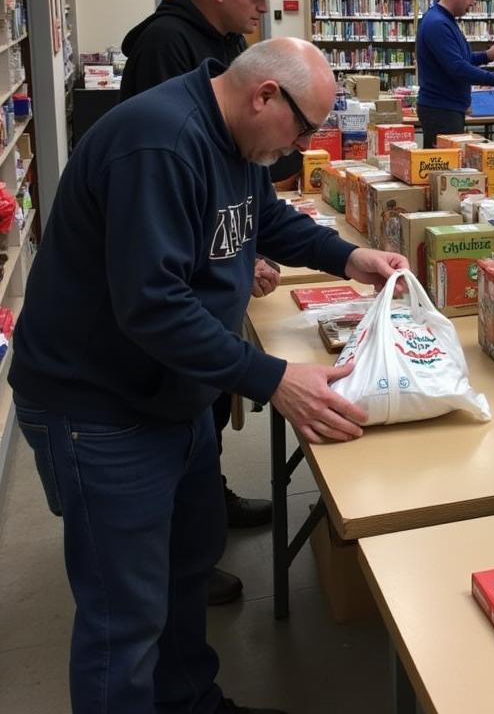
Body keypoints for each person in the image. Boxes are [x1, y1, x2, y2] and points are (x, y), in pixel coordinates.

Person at [12, 39, 408, 714]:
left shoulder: (233, 139)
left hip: (173, 391)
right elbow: (152, 305)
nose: (301, 146)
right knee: (124, 616)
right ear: (264, 96)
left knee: (185, 568)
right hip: (100, 405)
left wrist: (348, 257)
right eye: (304, 127)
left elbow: (265, 219)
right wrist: (272, 378)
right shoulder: (161, 144)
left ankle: (189, 700)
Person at [120, 0, 294, 605]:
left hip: (200, 271)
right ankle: (180, 555)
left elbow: (235, 181)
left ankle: (205, 516)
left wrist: (241, 241)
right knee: (180, 413)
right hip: (158, 305)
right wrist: (229, 251)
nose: (261, 5)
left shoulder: (222, 50)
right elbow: (173, 181)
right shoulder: (169, 46)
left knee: (205, 415)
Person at [415, 0, 494, 147]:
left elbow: (459, 59)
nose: (474, 2)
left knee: (448, 167)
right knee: (444, 170)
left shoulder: (445, 20)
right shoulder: (438, 24)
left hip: (447, 108)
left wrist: (486, 56)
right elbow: (456, 67)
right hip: (441, 110)